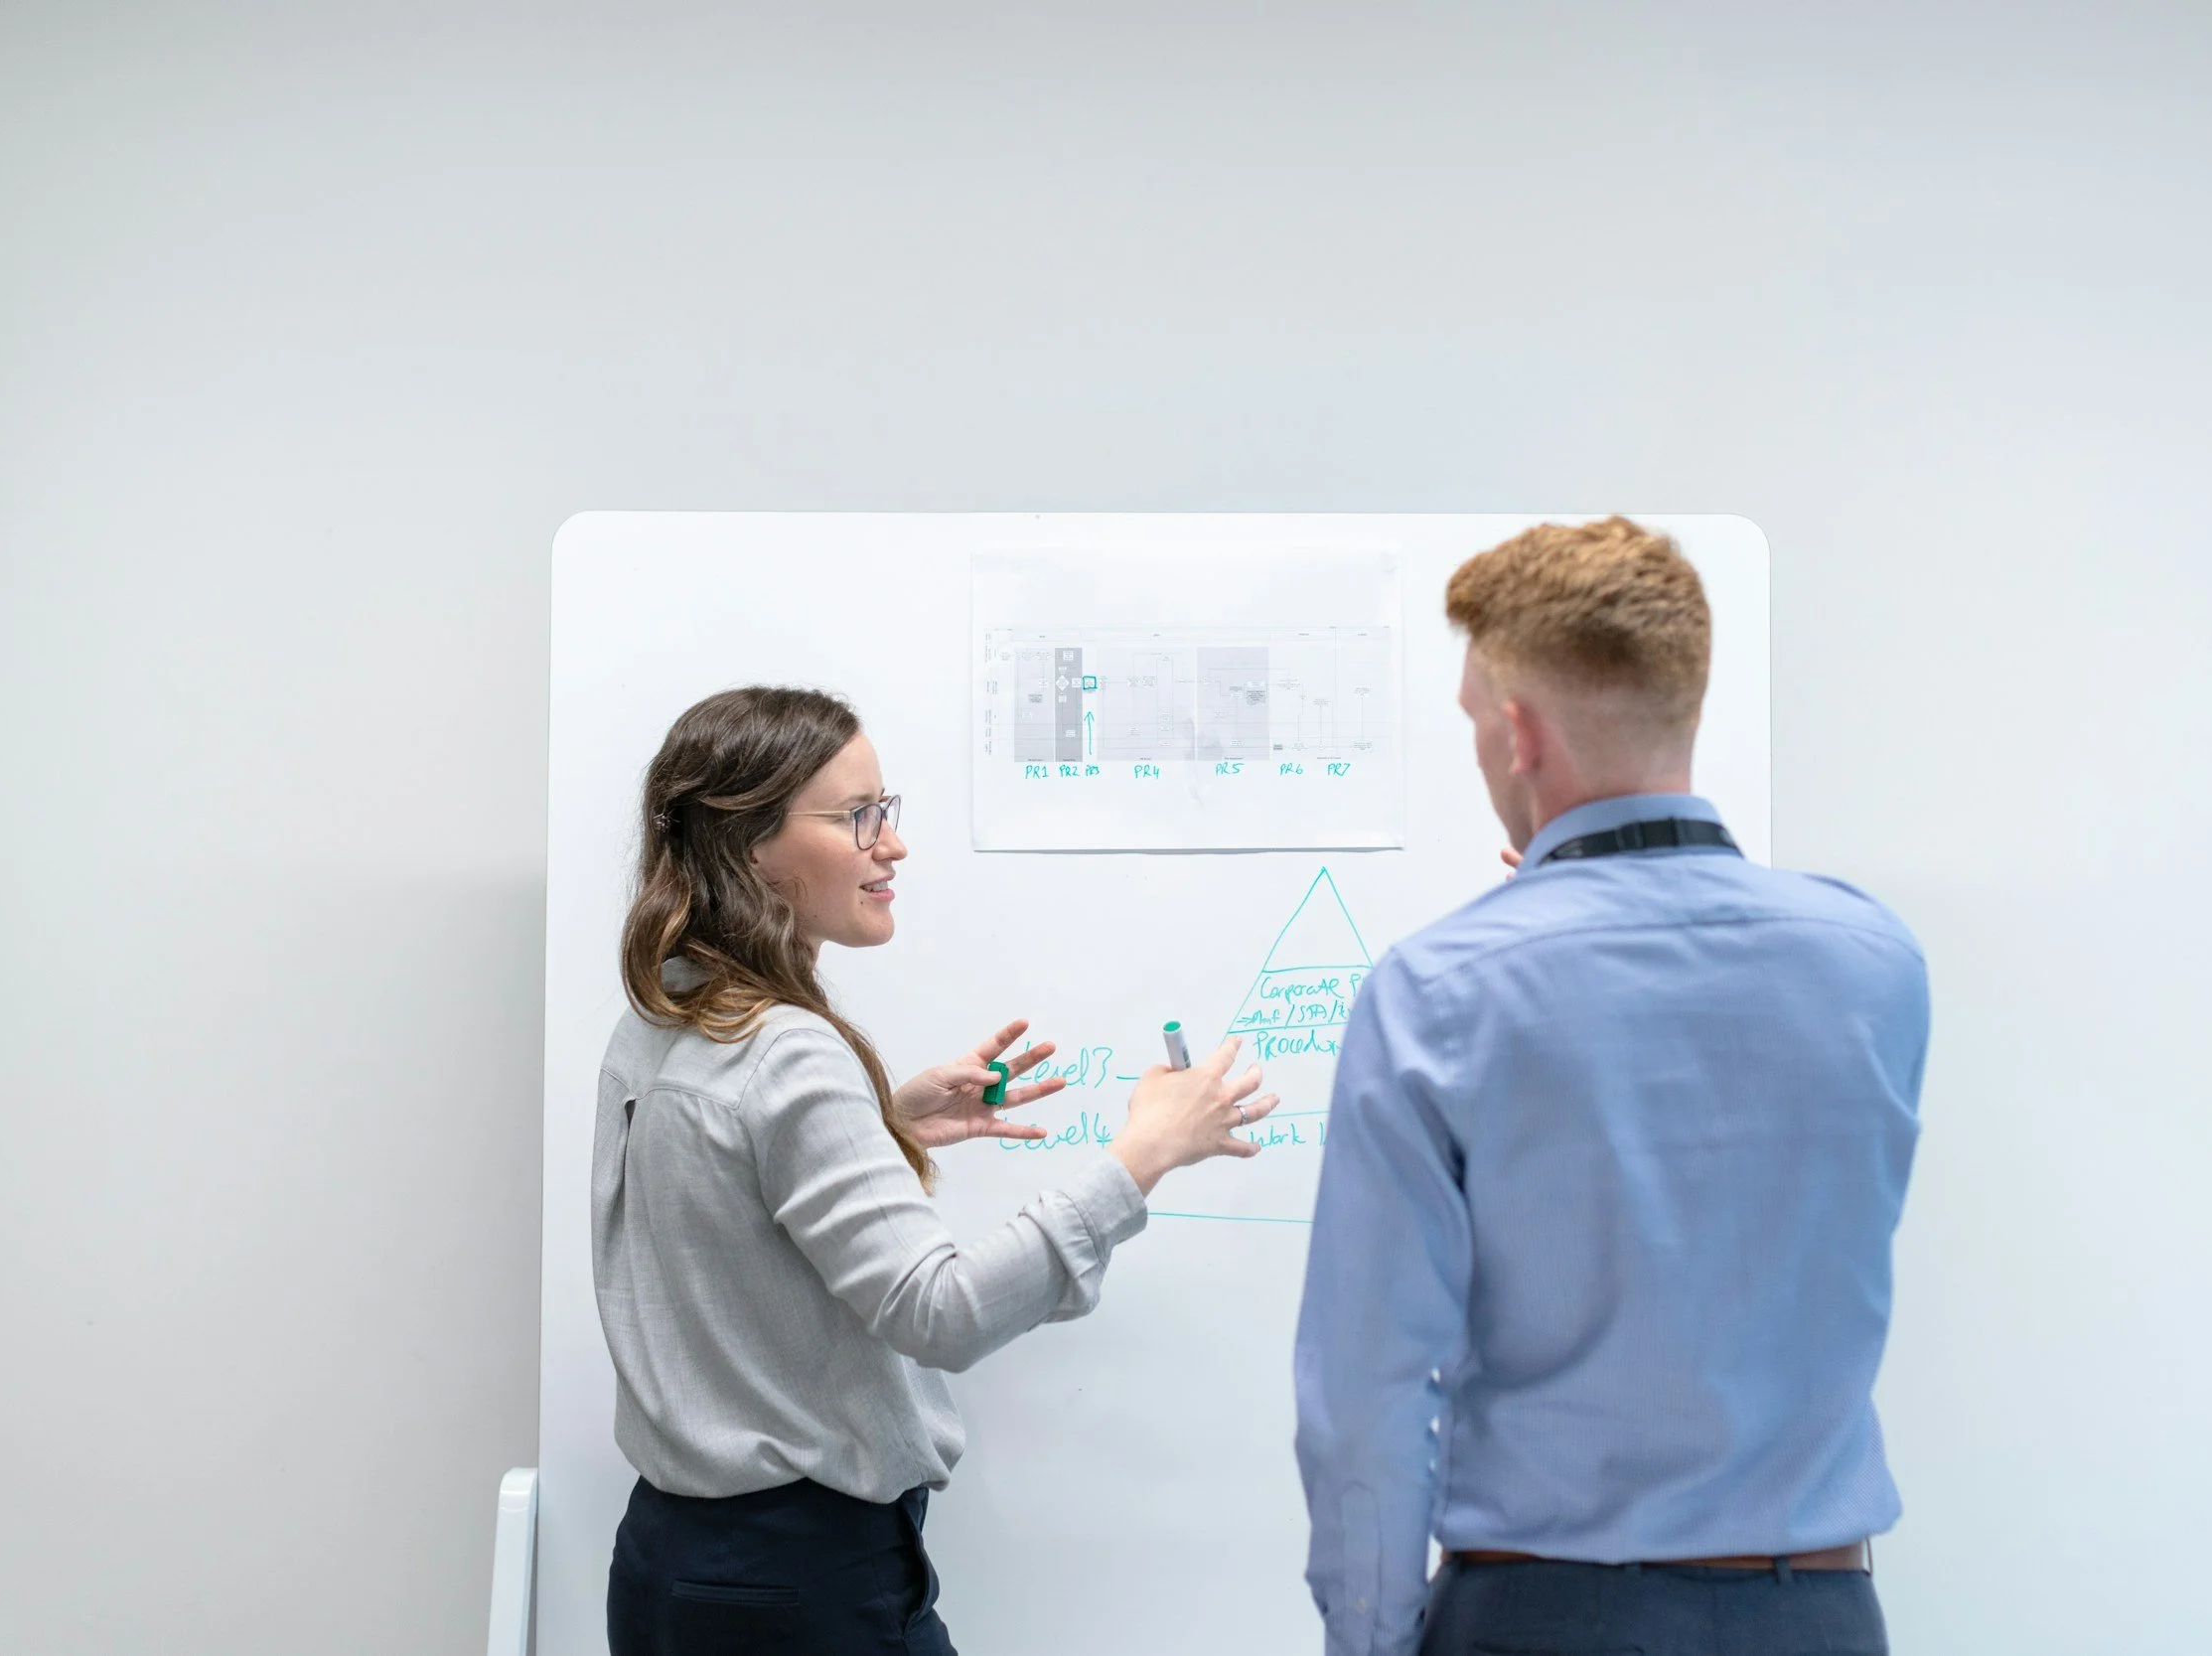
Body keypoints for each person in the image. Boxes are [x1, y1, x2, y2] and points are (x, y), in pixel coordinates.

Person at [1293, 519, 1928, 1656]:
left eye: (1475, 725)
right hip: (1820, 1616)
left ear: (1519, 733)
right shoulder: (1873, 963)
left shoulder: (1440, 992)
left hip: (1547, 1617)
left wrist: (1368, 1640)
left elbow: (1369, 1399)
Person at [596, 685, 1276, 1656]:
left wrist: (880, 1121)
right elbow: (940, 1311)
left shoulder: (668, 1011)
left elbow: (716, 1197)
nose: (891, 843)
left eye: (888, 809)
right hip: (801, 1586)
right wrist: (1142, 1155)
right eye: (854, 816)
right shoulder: (788, 1050)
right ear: (750, 846)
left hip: (672, 1565)